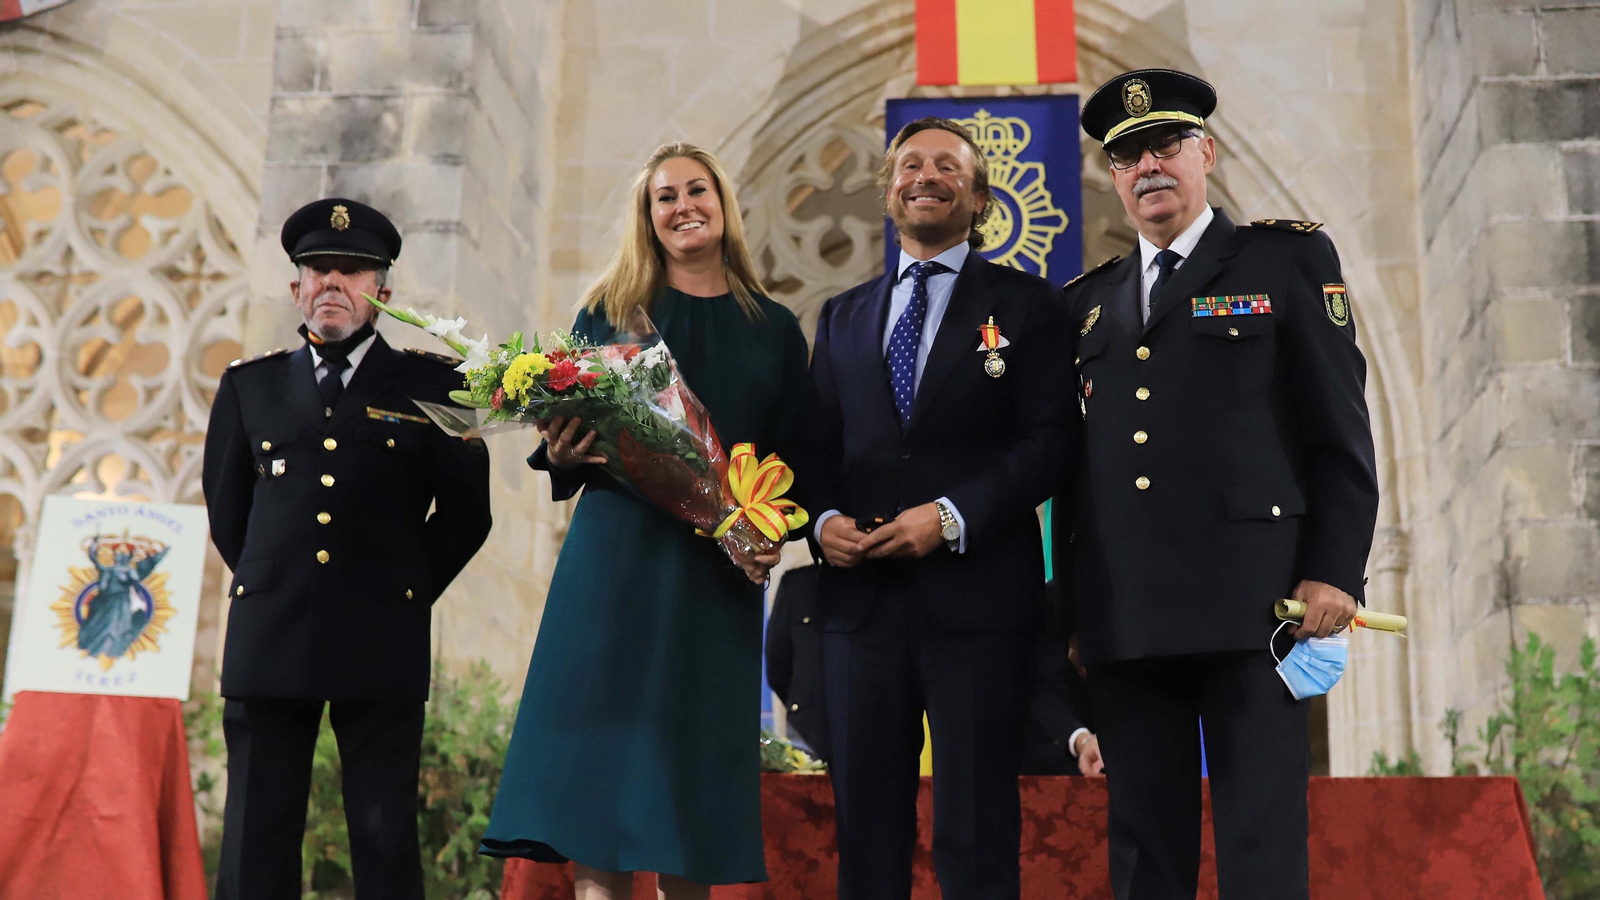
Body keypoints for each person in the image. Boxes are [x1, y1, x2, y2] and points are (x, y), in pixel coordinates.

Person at [1051, 69, 1379, 899]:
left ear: (1207, 152)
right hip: (1127, 617)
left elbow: (1339, 432)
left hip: (1255, 606)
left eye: (1165, 144)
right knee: (1144, 857)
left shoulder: (1285, 258)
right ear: (1112, 177)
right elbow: (1077, 480)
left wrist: (1336, 569)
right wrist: (1075, 614)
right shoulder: (1086, 306)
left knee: (1261, 852)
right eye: (1127, 155)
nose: (1148, 165)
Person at [478, 143, 810, 900]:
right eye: (666, 196)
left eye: (697, 190)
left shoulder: (775, 329)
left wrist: (768, 529)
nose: (683, 205)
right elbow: (577, 437)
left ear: (723, 204)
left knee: (689, 769)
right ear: (648, 216)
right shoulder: (608, 310)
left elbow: (800, 458)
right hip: (616, 559)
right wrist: (558, 449)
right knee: (608, 761)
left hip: (715, 572)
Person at [792, 117, 1075, 900]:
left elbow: (1051, 443)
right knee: (867, 837)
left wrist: (949, 515)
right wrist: (821, 525)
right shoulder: (841, 316)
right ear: (889, 192)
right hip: (859, 610)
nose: (926, 175)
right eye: (910, 164)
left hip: (980, 603)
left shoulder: (1029, 306)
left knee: (977, 834)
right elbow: (813, 453)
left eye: (948, 167)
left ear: (979, 196)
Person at [202, 197, 493, 900]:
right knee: (255, 835)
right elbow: (227, 509)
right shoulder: (249, 385)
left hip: (380, 634)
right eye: (317, 269)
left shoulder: (441, 385)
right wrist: (279, 582)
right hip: (270, 634)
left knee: (384, 833)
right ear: (295, 287)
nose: (333, 282)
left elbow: (466, 514)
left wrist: (404, 588)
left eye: (353, 271)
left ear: (383, 294)